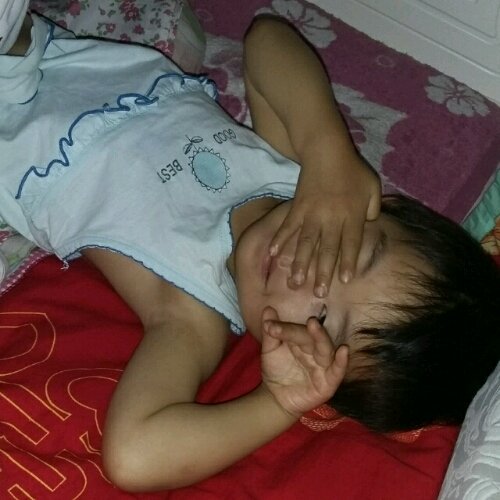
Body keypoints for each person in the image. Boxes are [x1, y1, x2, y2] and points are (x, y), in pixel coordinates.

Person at [0, 10, 498, 493]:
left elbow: (135, 457)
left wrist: (278, 402)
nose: (311, 270)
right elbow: (267, 40)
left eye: (323, 317)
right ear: (379, 208)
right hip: (39, 45)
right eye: (355, 253)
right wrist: (328, 152)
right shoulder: (295, 176)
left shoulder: (191, 313)